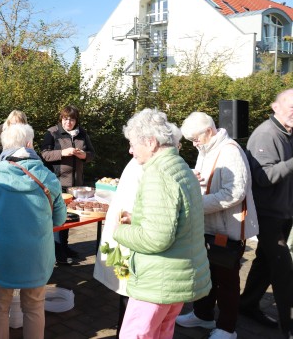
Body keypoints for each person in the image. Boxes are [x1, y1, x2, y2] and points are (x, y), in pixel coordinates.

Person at [113, 108, 211, 339]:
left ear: (151, 142)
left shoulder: (159, 174)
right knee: (161, 332)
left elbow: (156, 238)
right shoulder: (180, 168)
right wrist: (137, 217)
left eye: (132, 143)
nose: (130, 150)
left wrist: (121, 231)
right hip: (174, 277)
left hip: (158, 281)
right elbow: (176, 219)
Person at [0, 123, 67, 339]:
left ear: (4, 147)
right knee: (34, 307)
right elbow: (60, 219)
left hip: (2, 255)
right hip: (37, 255)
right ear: (29, 144)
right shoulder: (47, 177)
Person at [176, 112, 259, 339]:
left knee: (227, 280)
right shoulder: (207, 148)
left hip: (227, 229)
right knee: (206, 274)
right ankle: (203, 315)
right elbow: (210, 181)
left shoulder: (230, 151)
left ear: (208, 131)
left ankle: (227, 328)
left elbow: (234, 193)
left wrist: (197, 203)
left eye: (195, 139)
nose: (193, 144)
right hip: (208, 226)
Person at [93, 124, 183, 332]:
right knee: (131, 299)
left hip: (139, 244)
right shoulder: (144, 166)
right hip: (134, 240)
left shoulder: (155, 167)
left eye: (133, 144)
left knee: (135, 304)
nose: (130, 150)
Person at [240, 89, 293, 338]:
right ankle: (287, 326)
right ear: (275, 107)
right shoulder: (266, 135)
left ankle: (247, 305)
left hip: (284, 211)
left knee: (264, 262)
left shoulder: (287, 132)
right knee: (283, 267)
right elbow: (263, 177)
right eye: (290, 106)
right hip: (268, 214)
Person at [41, 105, 95, 264]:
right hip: (57, 183)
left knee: (68, 218)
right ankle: (58, 253)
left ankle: (64, 247)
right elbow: (43, 155)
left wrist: (84, 155)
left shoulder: (82, 133)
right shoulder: (52, 133)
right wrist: (62, 153)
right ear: (61, 119)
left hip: (75, 185)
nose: (68, 122)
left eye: (71, 119)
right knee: (58, 218)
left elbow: (92, 154)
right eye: (65, 119)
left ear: (76, 120)